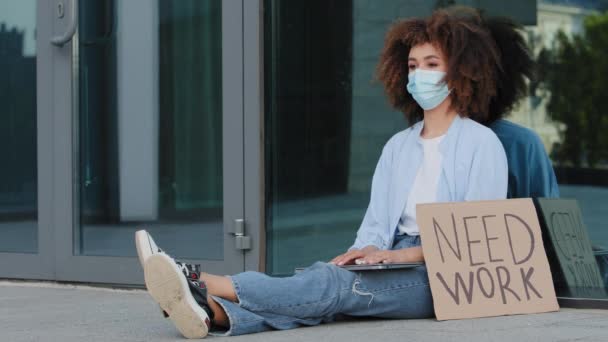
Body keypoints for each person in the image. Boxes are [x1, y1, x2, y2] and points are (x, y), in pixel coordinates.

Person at [136, 6, 518, 338]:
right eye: (413, 66)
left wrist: (398, 258)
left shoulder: (481, 145)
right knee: (329, 288)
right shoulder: (398, 147)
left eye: (432, 65)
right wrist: (363, 251)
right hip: (391, 256)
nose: (419, 75)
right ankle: (212, 314)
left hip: (439, 277)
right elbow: (375, 224)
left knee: (333, 286)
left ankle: (199, 282)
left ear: (459, 74)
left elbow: (474, 242)